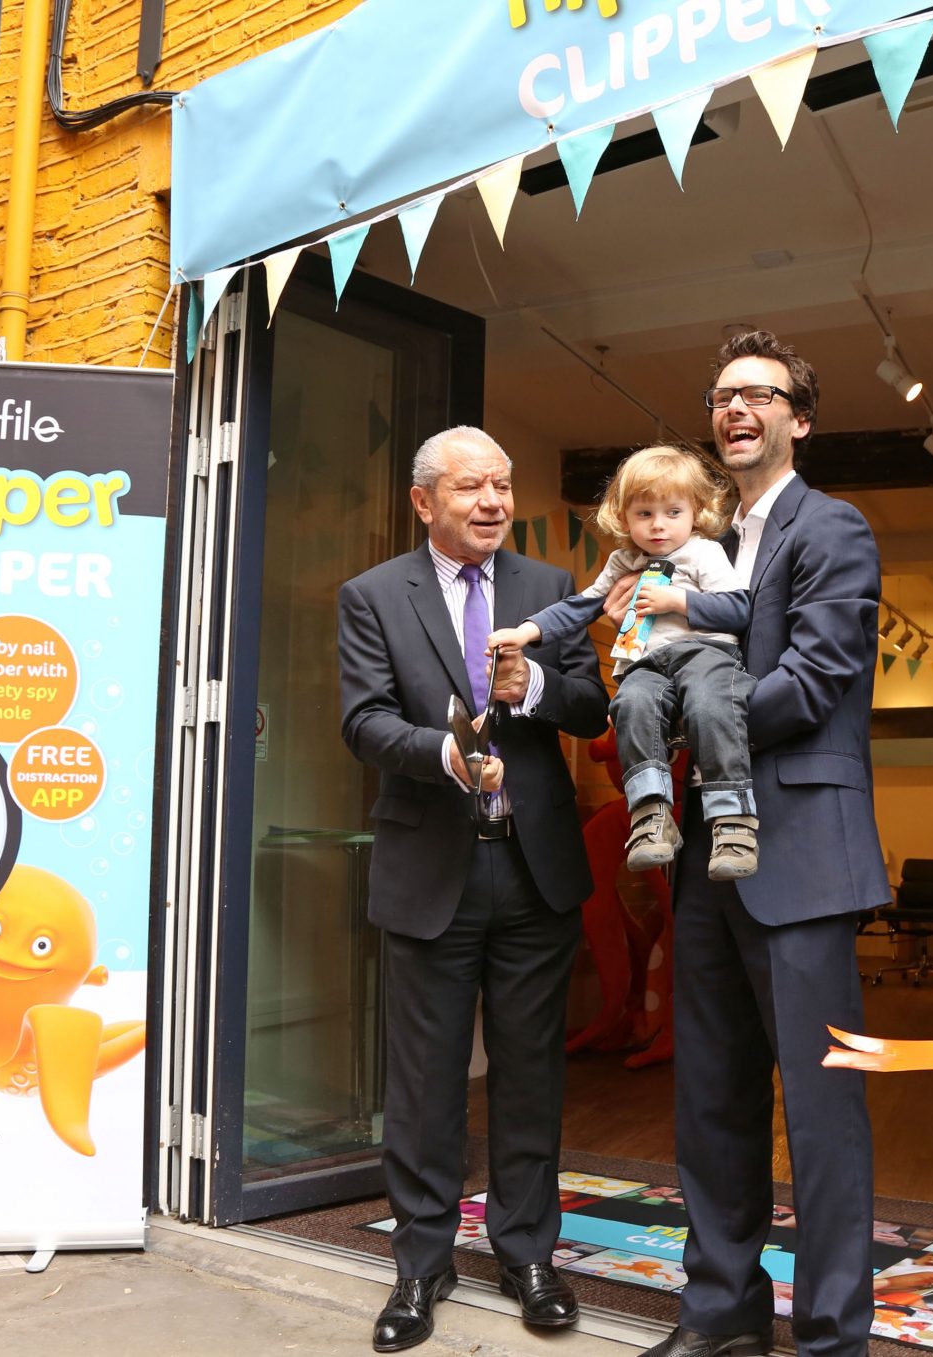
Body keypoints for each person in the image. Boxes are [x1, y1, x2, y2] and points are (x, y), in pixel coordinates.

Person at [627, 332, 889, 1357]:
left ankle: (831, 1336)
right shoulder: (702, 547)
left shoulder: (832, 527)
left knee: (821, 1117)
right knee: (710, 1101)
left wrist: (691, 727)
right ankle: (722, 1312)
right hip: (709, 857)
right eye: (722, 394)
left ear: (800, 419)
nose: (736, 407)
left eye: (760, 394)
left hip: (806, 857)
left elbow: (817, 679)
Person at [338, 426, 609, 1353]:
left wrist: (536, 687)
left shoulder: (551, 586)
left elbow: (593, 707)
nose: (493, 501)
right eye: (470, 487)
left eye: (502, 483)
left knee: (532, 1074)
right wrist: (443, 754)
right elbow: (363, 720)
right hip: (431, 869)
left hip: (534, 867)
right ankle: (421, 1265)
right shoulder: (374, 595)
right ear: (425, 502)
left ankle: (528, 1255)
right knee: (425, 1082)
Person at [489, 444, 757, 881]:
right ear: (624, 516)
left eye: (673, 512)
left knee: (712, 707)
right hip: (649, 664)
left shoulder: (703, 553)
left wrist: (678, 601)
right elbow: (582, 606)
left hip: (704, 656)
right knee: (629, 704)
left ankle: (733, 820)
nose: (658, 525)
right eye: (644, 513)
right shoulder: (623, 561)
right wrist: (526, 632)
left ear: (696, 512)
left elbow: (738, 609)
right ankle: (651, 814)